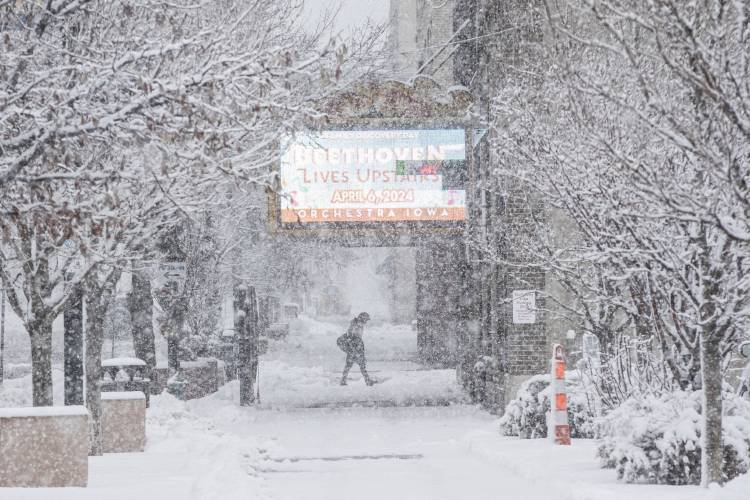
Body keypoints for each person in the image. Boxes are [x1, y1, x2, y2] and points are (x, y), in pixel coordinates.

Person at [337, 312, 373, 386]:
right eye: (366, 320)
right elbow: (351, 337)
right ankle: (367, 381)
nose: (366, 322)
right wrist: (354, 350)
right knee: (358, 365)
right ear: (363, 319)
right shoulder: (355, 325)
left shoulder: (358, 325)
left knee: (352, 365)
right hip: (354, 348)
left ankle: (344, 381)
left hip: (355, 348)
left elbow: (355, 338)